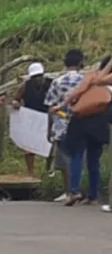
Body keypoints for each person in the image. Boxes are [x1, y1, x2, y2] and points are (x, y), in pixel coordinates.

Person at [63, 55, 112, 206]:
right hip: (101, 123)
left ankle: (75, 191)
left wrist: (62, 105)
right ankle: (94, 195)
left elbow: (79, 91)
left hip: (82, 121)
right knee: (94, 161)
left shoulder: (94, 77)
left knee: (76, 156)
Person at [45, 49, 87, 203]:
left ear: (65, 63)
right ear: (81, 63)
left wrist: (49, 128)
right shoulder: (86, 80)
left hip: (61, 123)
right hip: (82, 122)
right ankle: (80, 190)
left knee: (64, 159)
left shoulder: (57, 81)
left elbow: (50, 107)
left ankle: (69, 190)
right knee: (80, 156)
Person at [12, 62, 51, 177]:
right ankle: (30, 172)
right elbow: (16, 98)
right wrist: (16, 104)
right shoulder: (25, 85)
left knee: (49, 145)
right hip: (30, 118)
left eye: (39, 76)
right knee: (29, 146)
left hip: (47, 116)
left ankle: (48, 171)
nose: (38, 79)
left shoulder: (51, 84)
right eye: (35, 77)